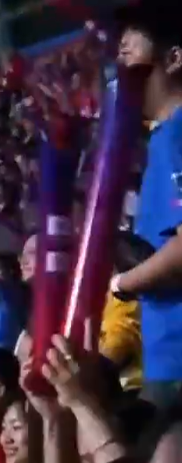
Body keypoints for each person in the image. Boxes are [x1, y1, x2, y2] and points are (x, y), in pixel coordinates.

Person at [109, 2, 182, 413]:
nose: (120, 68)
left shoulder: (177, 135)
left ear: (173, 59)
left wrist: (123, 284)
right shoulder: (163, 138)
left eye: (129, 52)